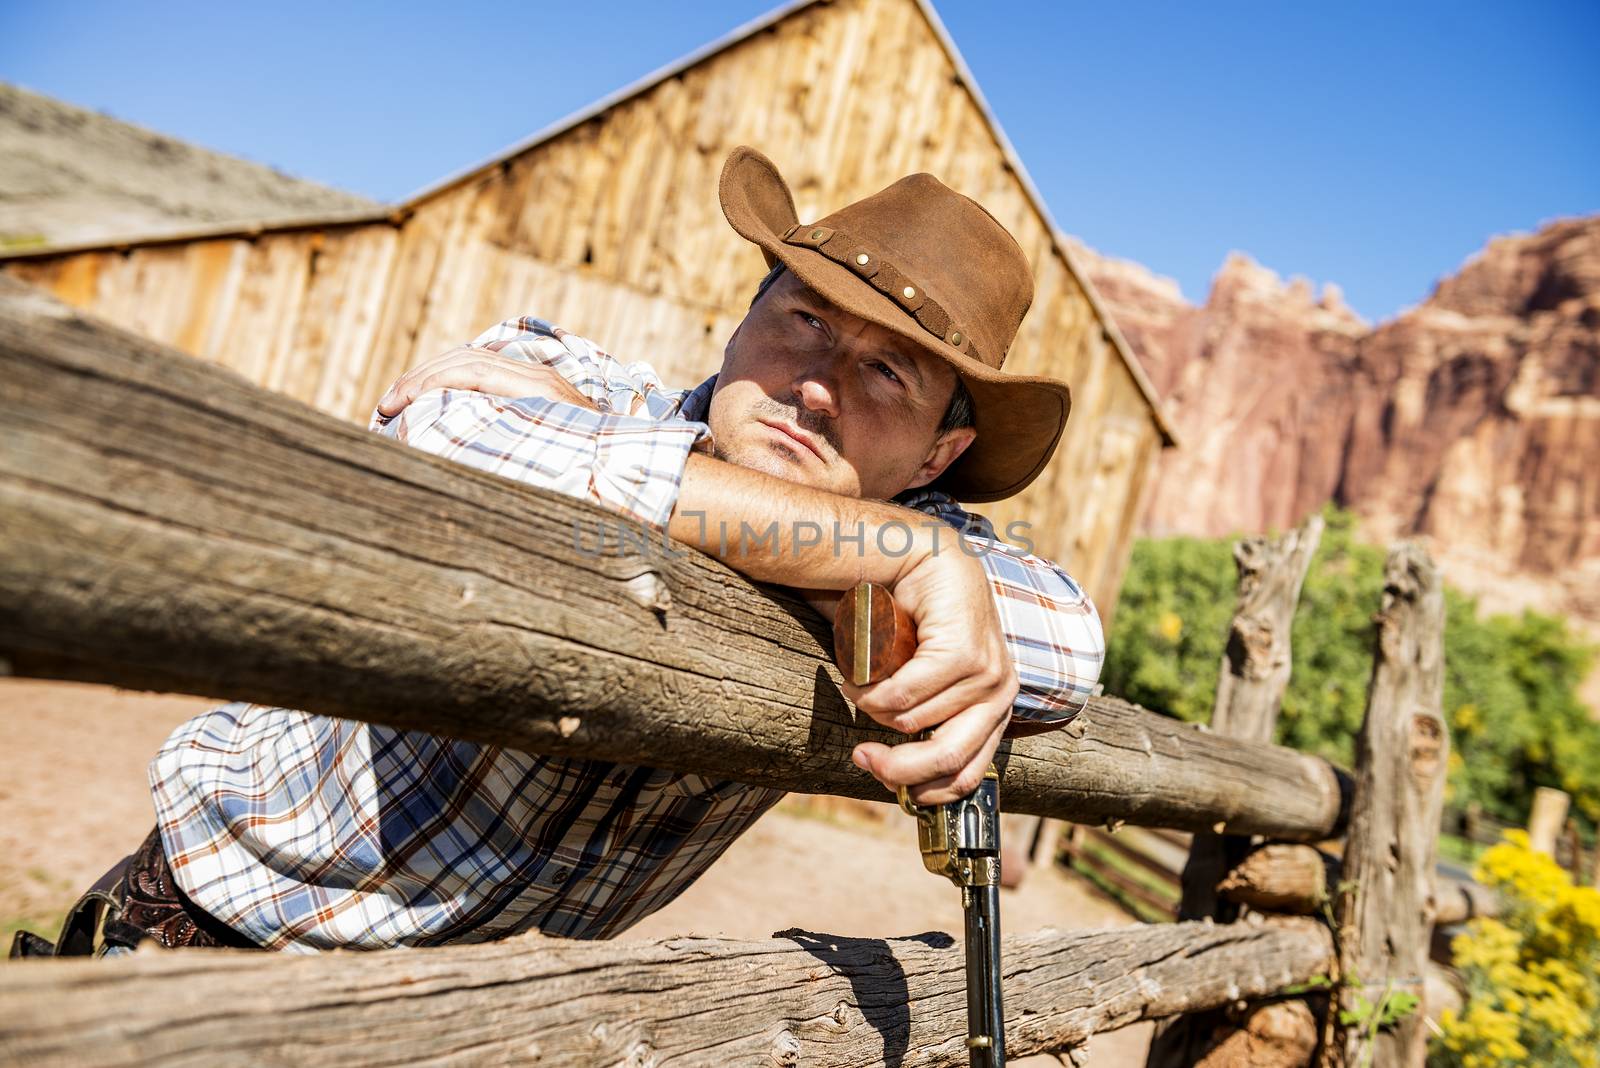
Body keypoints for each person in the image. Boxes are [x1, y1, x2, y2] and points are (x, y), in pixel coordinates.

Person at [13, 146, 1103, 958]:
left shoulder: (931, 547)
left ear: (939, 452)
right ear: (741, 320)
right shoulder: (554, 374)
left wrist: (913, 555)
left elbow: (1068, 641)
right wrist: (892, 557)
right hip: (218, 928)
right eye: (806, 321)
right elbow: (442, 432)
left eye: (886, 375)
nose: (815, 384)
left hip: (458, 1016)